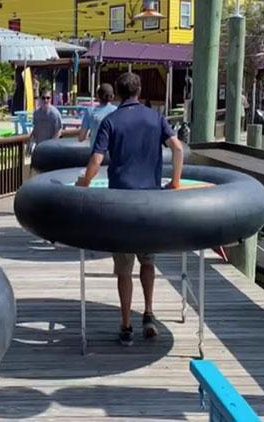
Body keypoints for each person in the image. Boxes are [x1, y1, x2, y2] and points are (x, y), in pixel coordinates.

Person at [75, 72, 185, 346]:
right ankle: (148, 313)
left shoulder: (111, 121)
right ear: (139, 91)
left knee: (124, 270)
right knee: (147, 262)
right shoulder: (156, 118)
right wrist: (175, 181)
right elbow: (178, 148)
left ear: (119, 95)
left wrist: (84, 183)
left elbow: (97, 159)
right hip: (150, 205)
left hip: (121, 206)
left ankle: (126, 325)